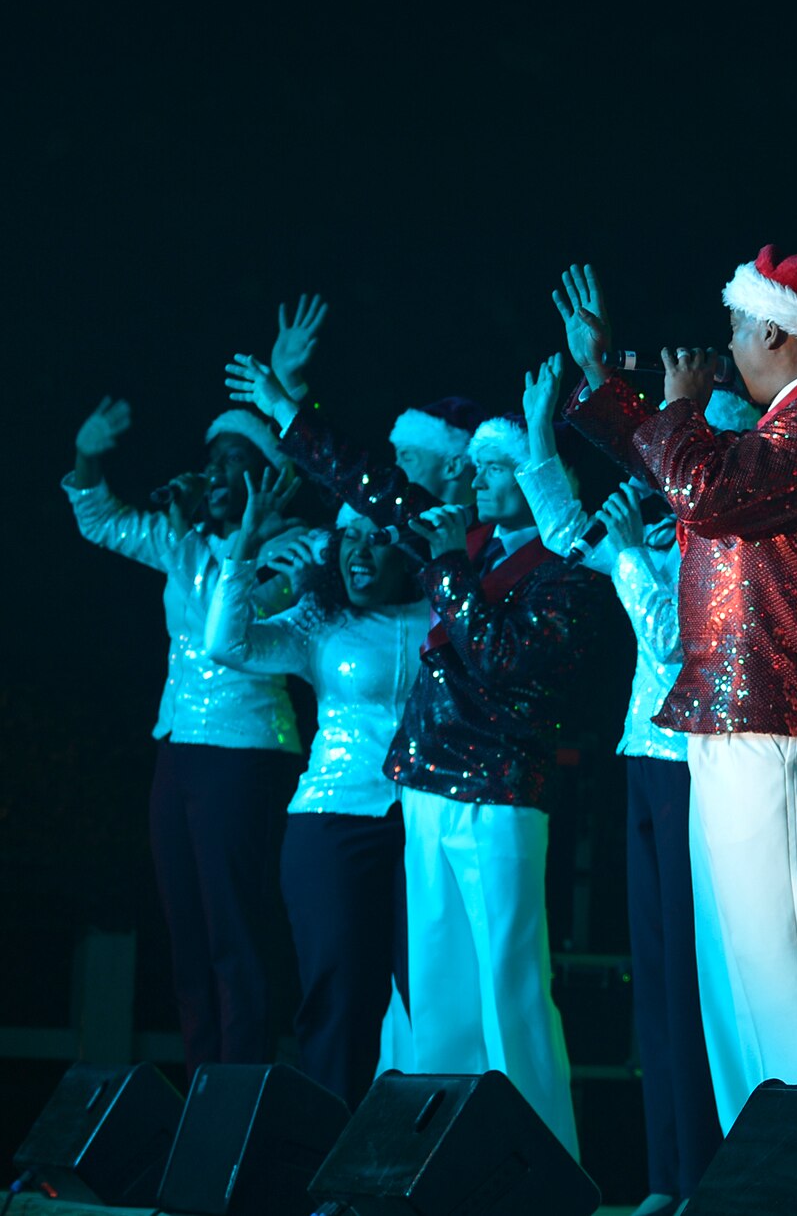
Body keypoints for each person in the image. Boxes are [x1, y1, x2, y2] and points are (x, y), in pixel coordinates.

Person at [223, 354, 608, 1156]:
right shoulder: (468, 543)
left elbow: (504, 658)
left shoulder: (565, 566)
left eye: (494, 466)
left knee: (508, 988)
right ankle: (435, 1164)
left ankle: (538, 1165)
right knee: (433, 997)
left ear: (534, 472)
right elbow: (374, 487)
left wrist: (445, 567)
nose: (474, 478)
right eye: (474, 466)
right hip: (428, 792)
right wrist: (290, 413)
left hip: (500, 795)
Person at [558, 255, 797, 1130]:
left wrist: (677, 406)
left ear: (775, 330)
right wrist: (603, 377)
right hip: (733, 724)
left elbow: (703, 486)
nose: (727, 346)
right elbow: (684, 477)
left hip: (780, 723)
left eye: (738, 329)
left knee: (790, 981)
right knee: (737, 986)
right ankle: (766, 1178)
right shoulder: (781, 425)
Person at [517, 354, 759, 1209]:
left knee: (690, 983)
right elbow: (566, 538)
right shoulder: (665, 529)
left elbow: (674, 649)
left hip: (694, 766)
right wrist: (544, 436)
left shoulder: (725, 536)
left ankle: (703, 1174)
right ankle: (666, 1177)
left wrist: (625, 557)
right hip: (642, 760)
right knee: (653, 980)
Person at [64, 395, 304, 1076]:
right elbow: (101, 519)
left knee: (236, 932)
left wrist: (240, 537)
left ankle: (240, 1097)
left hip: (246, 747)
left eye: (236, 461)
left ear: (265, 476)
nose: (217, 473)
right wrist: (87, 454)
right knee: (188, 933)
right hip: (179, 745)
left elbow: (235, 625)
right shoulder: (185, 543)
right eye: (213, 461)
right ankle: (204, 1089)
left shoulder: (290, 549)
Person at [206, 491, 427, 1109]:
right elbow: (230, 646)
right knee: (339, 999)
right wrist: (243, 552)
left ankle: (419, 1167)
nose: (359, 550)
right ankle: (327, 1173)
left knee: (429, 993)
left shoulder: (443, 612)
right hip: (332, 824)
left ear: (406, 548)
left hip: (429, 823)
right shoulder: (320, 620)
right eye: (348, 536)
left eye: (376, 537)